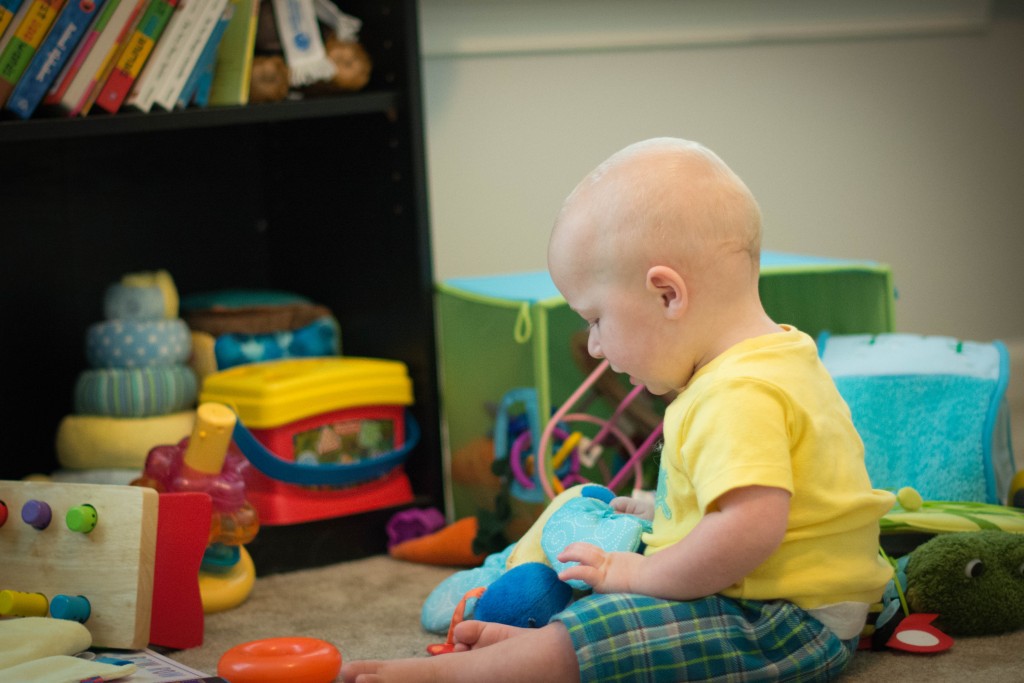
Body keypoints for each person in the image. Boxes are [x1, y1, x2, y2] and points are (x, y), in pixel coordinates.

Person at [342, 138, 895, 683]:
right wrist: (660, 510)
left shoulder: (739, 393)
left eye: (596, 319)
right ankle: (544, 648)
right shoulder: (774, 358)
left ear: (667, 295)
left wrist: (641, 571)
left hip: (786, 620)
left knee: (614, 622)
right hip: (777, 599)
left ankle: (472, 672)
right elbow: (752, 498)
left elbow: (750, 527)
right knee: (605, 605)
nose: (597, 347)